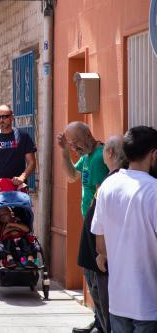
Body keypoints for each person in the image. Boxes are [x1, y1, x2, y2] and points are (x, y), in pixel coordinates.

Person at [92, 126, 157, 332]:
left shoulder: (107, 186)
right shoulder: (153, 190)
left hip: (118, 300)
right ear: (153, 154)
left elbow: (100, 245)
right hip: (149, 302)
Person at [58, 122, 108, 333]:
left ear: (88, 134)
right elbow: (71, 176)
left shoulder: (97, 158)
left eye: (76, 142)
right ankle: (98, 321)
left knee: (95, 278)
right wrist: (63, 153)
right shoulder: (87, 156)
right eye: (71, 144)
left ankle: (103, 325)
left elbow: (100, 196)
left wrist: (96, 229)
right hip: (89, 224)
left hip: (96, 227)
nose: (74, 148)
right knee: (90, 275)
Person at [76, 136, 125, 333]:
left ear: (110, 153)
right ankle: (101, 323)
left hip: (100, 256)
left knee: (103, 297)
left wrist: (101, 253)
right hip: (96, 253)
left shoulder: (110, 182)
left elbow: (101, 221)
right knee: (99, 295)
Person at [0, 105, 37, 184]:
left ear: (12, 117)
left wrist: (22, 177)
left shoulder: (23, 136)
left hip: (17, 186)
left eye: (5, 117)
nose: (1, 120)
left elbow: (31, 162)